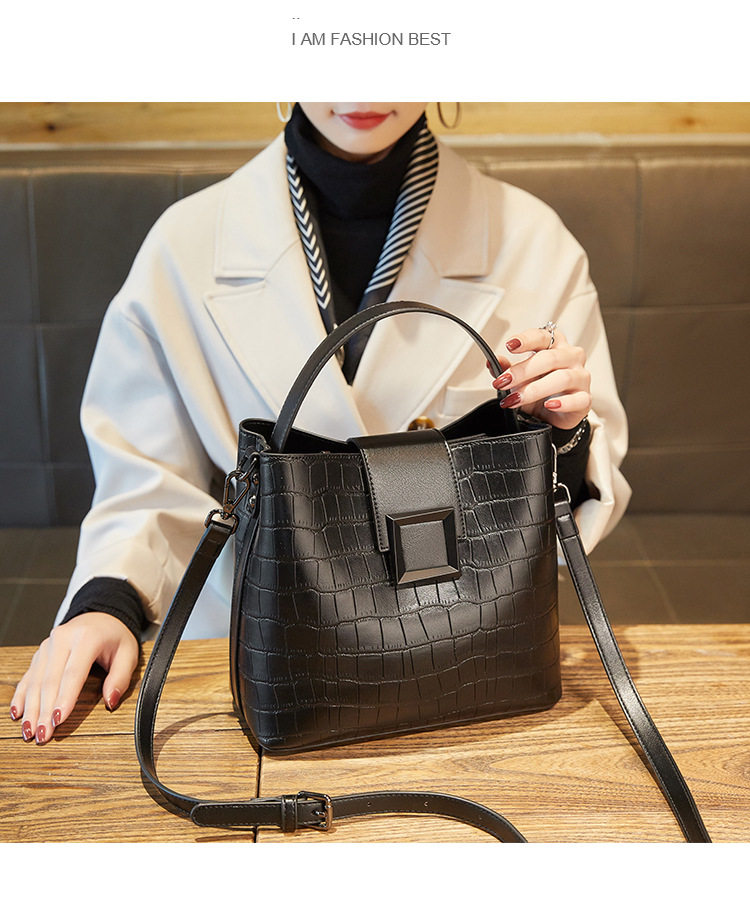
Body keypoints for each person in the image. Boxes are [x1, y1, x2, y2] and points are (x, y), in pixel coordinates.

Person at [9, 102, 630, 745]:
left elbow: (570, 498)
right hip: (258, 659)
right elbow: (145, 476)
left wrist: (562, 432)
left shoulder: (534, 242)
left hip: (470, 662)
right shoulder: (184, 245)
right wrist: (106, 605)